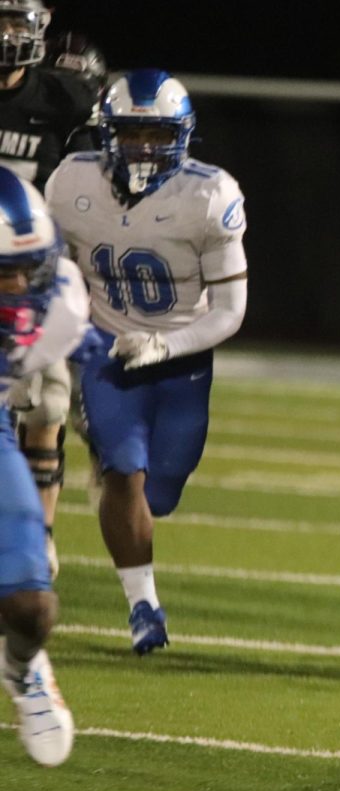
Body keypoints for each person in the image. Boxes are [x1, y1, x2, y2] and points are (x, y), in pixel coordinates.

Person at [44, 68, 249, 655]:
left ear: (181, 136)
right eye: (132, 133)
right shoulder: (72, 183)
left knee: (160, 492)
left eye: (158, 133)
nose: (143, 147)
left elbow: (230, 311)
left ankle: (132, 506)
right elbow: (51, 271)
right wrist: (71, 329)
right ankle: (143, 606)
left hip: (181, 358)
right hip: (109, 352)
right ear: (106, 133)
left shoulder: (209, 195)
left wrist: (164, 345)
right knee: (123, 473)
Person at [0, 0, 103, 578]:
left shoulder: (65, 99)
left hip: (28, 277)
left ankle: (37, 536)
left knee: (47, 406)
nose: (9, 35)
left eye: (17, 22)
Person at [0, 165, 90, 766]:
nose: (23, 288)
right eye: (5, 277)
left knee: (32, 609)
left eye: (27, 271)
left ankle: (21, 668)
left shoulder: (62, 301)